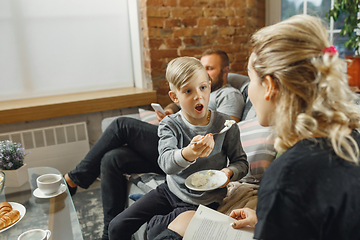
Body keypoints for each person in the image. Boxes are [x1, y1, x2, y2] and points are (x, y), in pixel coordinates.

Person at [152, 14, 360, 240]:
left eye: (250, 80)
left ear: (269, 86)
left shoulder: (285, 178)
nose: (249, 91)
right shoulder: (351, 141)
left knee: (164, 233)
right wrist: (263, 219)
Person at [64, 49, 246, 240]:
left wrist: (229, 173)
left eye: (202, 88)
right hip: (171, 190)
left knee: (156, 232)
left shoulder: (226, 126)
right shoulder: (170, 124)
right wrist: (188, 153)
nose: (198, 96)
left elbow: (241, 162)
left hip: (204, 202)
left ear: (209, 87)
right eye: (188, 91)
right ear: (175, 97)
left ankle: (160, 223)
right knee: (116, 227)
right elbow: (166, 163)